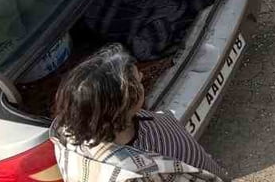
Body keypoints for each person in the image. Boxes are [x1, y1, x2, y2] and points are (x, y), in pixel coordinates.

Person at [50, 43, 230, 181]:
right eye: (137, 81)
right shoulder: (131, 175)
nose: (142, 77)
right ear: (121, 105)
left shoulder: (73, 132)